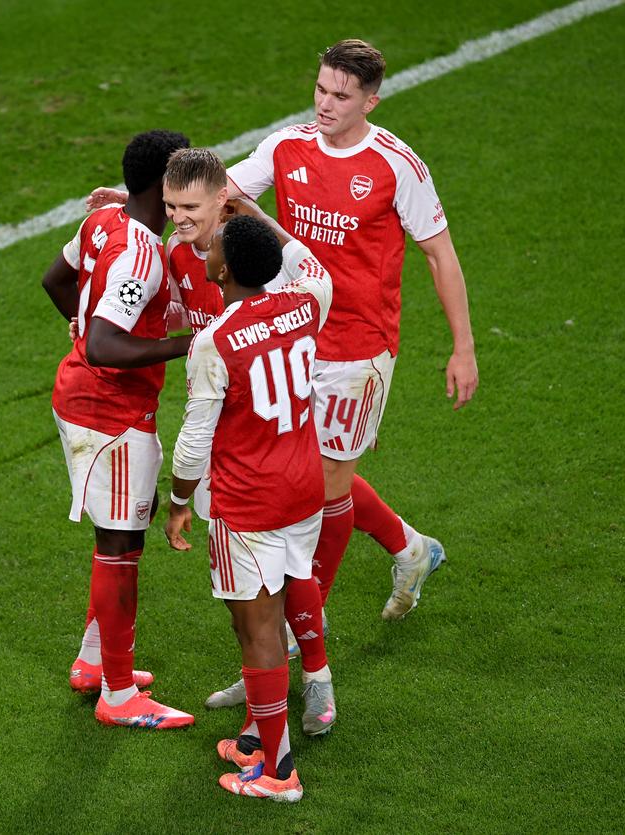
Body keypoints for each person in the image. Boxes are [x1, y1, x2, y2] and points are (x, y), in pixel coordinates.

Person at [224, 38, 479, 620]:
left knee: (325, 488)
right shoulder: (286, 146)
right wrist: (143, 201)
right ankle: (410, 548)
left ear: (371, 102)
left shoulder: (396, 165)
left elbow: (440, 254)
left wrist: (463, 348)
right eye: (320, 89)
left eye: (341, 96)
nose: (325, 104)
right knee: (303, 473)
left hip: (359, 350)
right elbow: (220, 195)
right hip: (291, 337)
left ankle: (303, 625)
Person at [161, 150, 335, 735]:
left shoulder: (217, 338)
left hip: (247, 489)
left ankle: (272, 748)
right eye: (172, 206)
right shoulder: (306, 301)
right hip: (301, 477)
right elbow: (314, 268)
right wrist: (261, 219)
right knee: (289, 581)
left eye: (192, 209)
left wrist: (178, 500)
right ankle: (284, 694)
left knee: (256, 624)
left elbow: (193, 439)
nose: (186, 224)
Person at [42, 129, 195, 729]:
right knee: (120, 545)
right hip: (110, 412)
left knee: (121, 534)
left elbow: (55, 280)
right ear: (164, 184)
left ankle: (93, 663)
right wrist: (190, 344)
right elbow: (106, 345)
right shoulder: (141, 255)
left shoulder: (102, 220)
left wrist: (81, 330)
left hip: (83, 397)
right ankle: (118, 693)